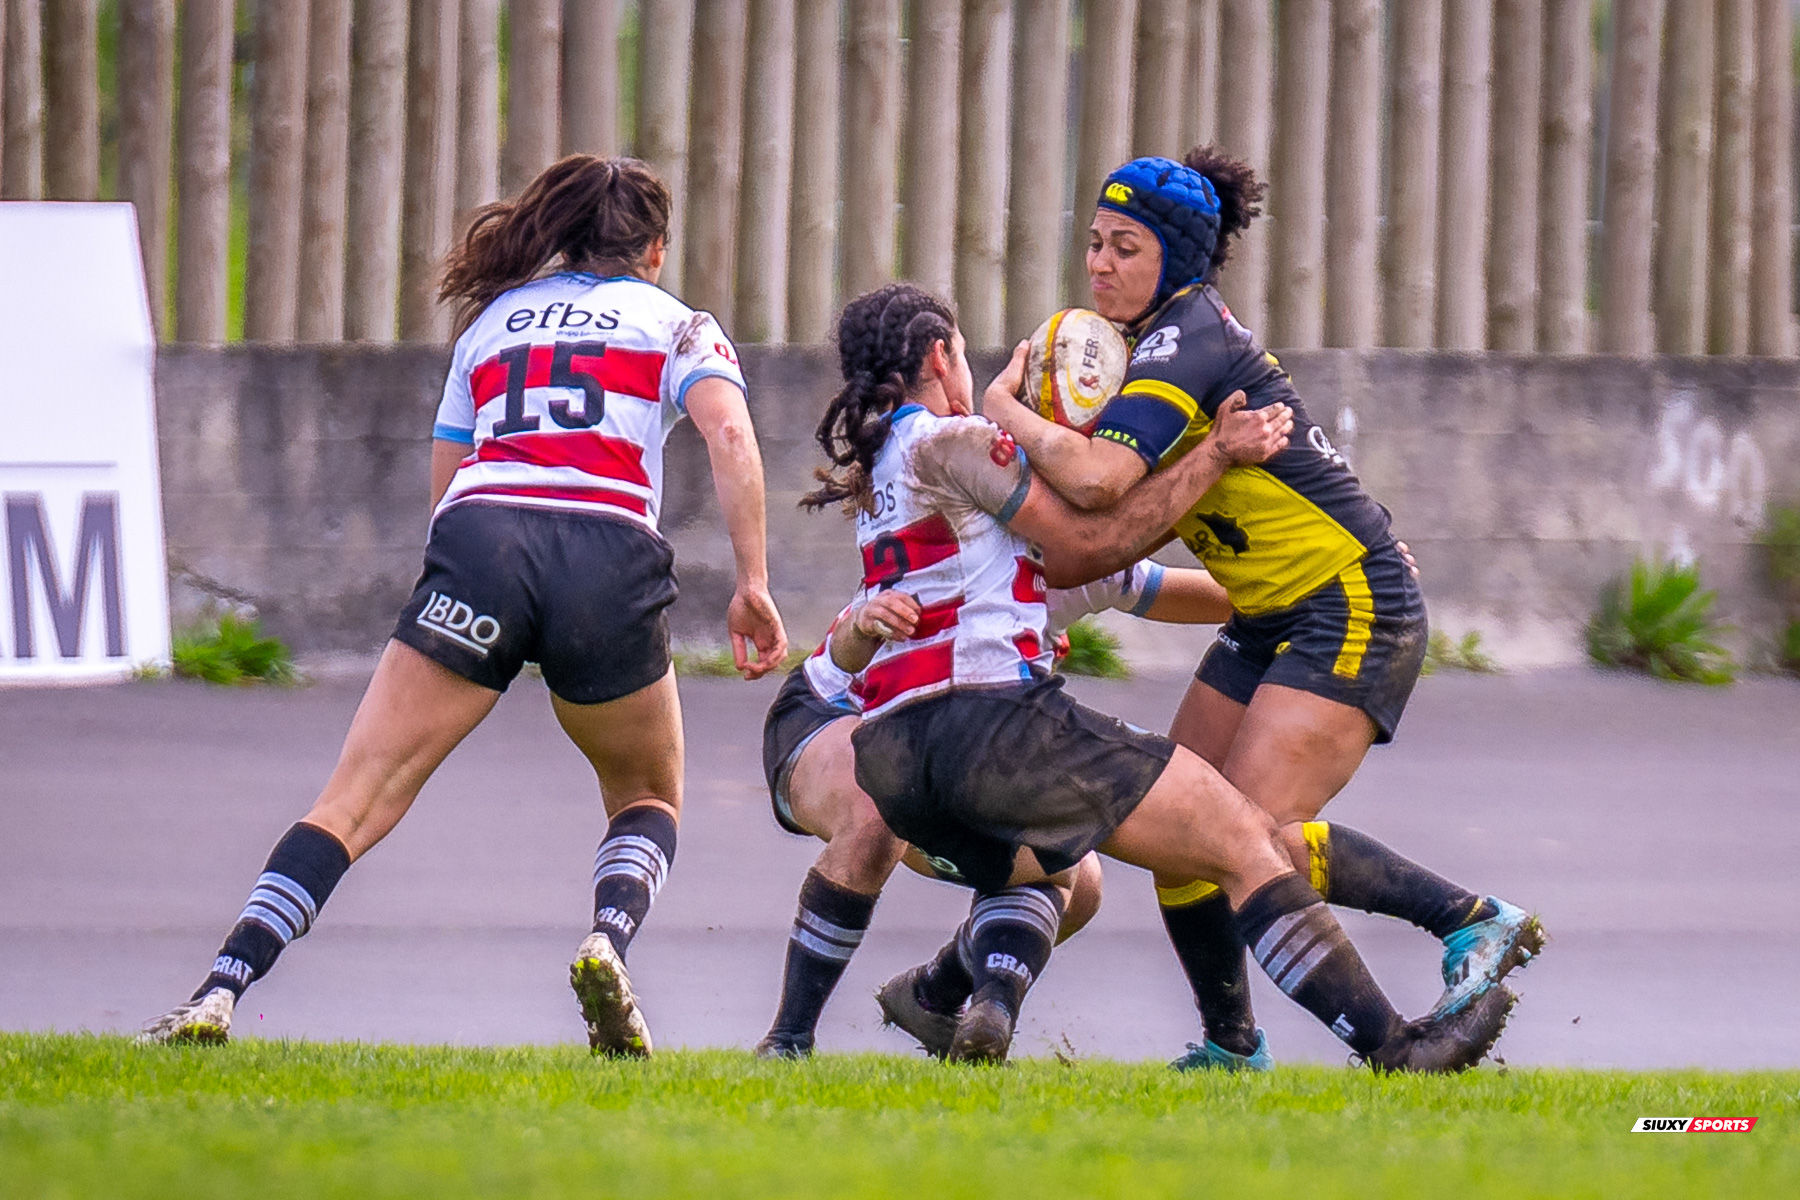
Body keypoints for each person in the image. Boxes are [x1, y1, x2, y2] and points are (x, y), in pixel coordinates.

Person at [139, 156, 787, 1058]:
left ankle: (221, 987)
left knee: (357, 794)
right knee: (645, 791)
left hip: (482, 541)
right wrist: (752, 582)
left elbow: (447, 481)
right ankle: (608, 939)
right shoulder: (680, 326)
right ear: (652, 248)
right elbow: (726, 432)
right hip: (605, 552)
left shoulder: (492, 322)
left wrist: (462, 597)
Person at [804, 282, 1515, 1070]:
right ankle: (1396, 1047)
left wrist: (1317, 564)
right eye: (969, 356)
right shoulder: (959, 442)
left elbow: (1114, 577)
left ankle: (943, 995)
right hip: (988, 725)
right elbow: (1094, 534)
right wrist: (1211, 451)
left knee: (1070, 872)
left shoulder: (879, 476)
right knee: (1243, 840)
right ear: (941, 356)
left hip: (898, 765)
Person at [975, 150, 1542, 1071]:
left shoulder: (1185, 341)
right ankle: (1233, 1047)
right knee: (1178, 830)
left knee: (1246, 835)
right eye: (1093, 243)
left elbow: (1098, 484)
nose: (1100, 265)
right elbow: (1105, 525)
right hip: (1269, 617)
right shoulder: (1141, 346)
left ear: (1180, 261)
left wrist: (1001, 403)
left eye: (1125, 247)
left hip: (1350, 604)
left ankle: (1471, 919)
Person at [757, 556, 1227, 1059]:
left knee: (1073, 871)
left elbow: (1180, 587)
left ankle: (935, 995)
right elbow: (852, 649)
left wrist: (1303, 589)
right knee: (880, 804)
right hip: (834, 710)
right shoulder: (966, 530)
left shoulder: (1077, 551)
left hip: (956, 741)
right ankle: (787, 1040)